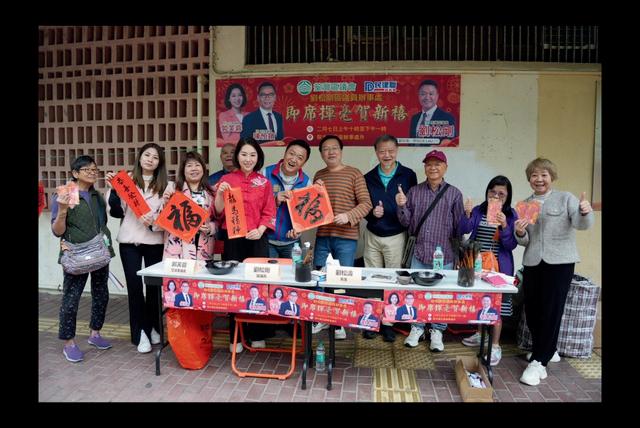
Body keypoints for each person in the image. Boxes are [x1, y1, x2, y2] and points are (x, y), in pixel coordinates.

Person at [514, 158, 594, 386]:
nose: (539, 179)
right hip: (533, 262)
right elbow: (525, 240)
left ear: (552, 177)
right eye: (534, 175)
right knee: (532, 309)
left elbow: (581, 224)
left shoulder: (565, 198)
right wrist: (519, 232)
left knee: (551, 309)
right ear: (529, 179)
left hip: (560, 263)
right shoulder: (525, 204)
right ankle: (547, 348)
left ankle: (539, 361)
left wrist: (585, 211)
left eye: (544, 175)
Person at [396, 149, 465, 351]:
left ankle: (437, 331)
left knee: (441, 295)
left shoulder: (454, 194)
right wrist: (401, 206)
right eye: (429, 164)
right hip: (419, 252)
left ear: (445, 167)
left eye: (437, 164)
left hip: (444, 254)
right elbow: (406, 223)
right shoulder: (414, 192)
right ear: (425, 167)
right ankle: (417, 328)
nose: (433, 168)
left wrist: (459, 254)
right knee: (416, 292)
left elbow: (459, 228)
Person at [105, 142, 170, 353]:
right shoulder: (126, 181)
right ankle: (139, 332)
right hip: (130, 242)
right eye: (147, 155)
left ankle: (154, 327)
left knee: (153, 289)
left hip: (154, 241)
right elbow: (116, 211)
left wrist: (153, 222)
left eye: (155, 157)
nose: (150, 159)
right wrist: (114, 190)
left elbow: (169, 215)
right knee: (134, 288)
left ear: (160, 163)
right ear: (140, 157)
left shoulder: (167, 185)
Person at [214, 137, 277, 351]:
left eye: (252, 155)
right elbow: (217, 212)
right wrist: (220, 193)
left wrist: (260, 229)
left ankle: (257, 332)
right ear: (237, 156)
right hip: (233, 240)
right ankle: (235, 337)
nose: (248, 159)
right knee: (234, 286)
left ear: (258, 157)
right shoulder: (227, 179)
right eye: (244, 154)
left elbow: (269, 211)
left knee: (258, 286)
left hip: (257, 239)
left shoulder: (264, 182)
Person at [51, 155, 115, 363]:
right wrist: (62, 211)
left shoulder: (96, 195)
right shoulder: (66, 194)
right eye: (87, 169)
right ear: (75, 173)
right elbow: (57, 231)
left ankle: (95, 333)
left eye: (94, 169)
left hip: (99, 252)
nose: (92, 173)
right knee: (71, 298)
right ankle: (69, 343)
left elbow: (103, 222)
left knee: (101, 294)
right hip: (76, 254)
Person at [312, 135, 373, 340]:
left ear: (341, 151)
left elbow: (366, 204)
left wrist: (348, 216)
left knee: (341, 279)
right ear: (321, 154)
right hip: (323, 235)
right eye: (326, 149)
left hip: (346, 237)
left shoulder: (354, 173)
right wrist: (315, 189)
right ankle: (321, 318)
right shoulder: (319, 175)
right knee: (319, 278)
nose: (330, 152)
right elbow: (312, 206)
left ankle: (338, 323)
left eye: (334, 148)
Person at [457, 175, 518, 365]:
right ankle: (479, 334)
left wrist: (505, 225)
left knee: (496, 305)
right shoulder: (479, 210)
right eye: (493, 192)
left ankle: (496, 345)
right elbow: (464, 229)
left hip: (499, 266)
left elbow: (511, 244)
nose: (496, 196)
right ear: (487, 192)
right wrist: (467, 214)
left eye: (501, 194)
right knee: (479, 300)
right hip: (476, 263)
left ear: (507, 196)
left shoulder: (511, 215)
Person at [363, 134, 417, 342]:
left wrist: (403, 204)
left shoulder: (408, 175)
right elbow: (363, 205)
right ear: (376, 153)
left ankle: (388, 323)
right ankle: (372, 321)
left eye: (391, 151)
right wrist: (371, 214)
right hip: (373, 234)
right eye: (382, 151)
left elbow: (413, 207)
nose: (387, 155)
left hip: (396, 234)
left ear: (397, 151)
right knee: (372, 279)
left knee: (393, 280)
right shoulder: (368, 177)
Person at [262, 139, 311, 258]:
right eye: (291, 153)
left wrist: (299, 230)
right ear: (285, 153)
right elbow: (256, 204)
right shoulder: (266, 173)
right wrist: (274, 200)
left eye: (300, 157)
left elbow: (306, 216)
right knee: (267, 270)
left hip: (292, 242)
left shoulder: (306, 183)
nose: (293, 159)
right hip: (266, 240)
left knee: (293, 270)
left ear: (304, 163)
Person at [408, 79, 457, 144]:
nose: (427, 97)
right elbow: (411, 143)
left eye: (431, 94)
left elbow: (451, 144)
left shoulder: (447, 118)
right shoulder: (414, 118)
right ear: (418, 95)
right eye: (423, 94)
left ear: (437, 96)